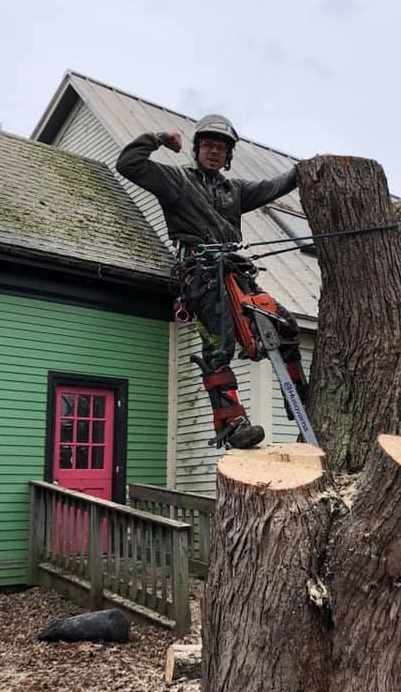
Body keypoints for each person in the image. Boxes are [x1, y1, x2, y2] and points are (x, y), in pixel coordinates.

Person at [116, 114, 307, 449]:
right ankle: (231, 423)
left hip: (237, 274)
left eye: (221, 147)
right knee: (220, 340)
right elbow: (128, 163)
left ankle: (303, 407)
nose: (214, 151)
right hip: (200, 275)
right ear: (197, 148)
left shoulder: (236, 191)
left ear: (228, 154)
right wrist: (160, 138)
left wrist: (306, 170)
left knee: (287, 327)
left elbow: (277, 185)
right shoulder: (176, 180)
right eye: (208, 145)